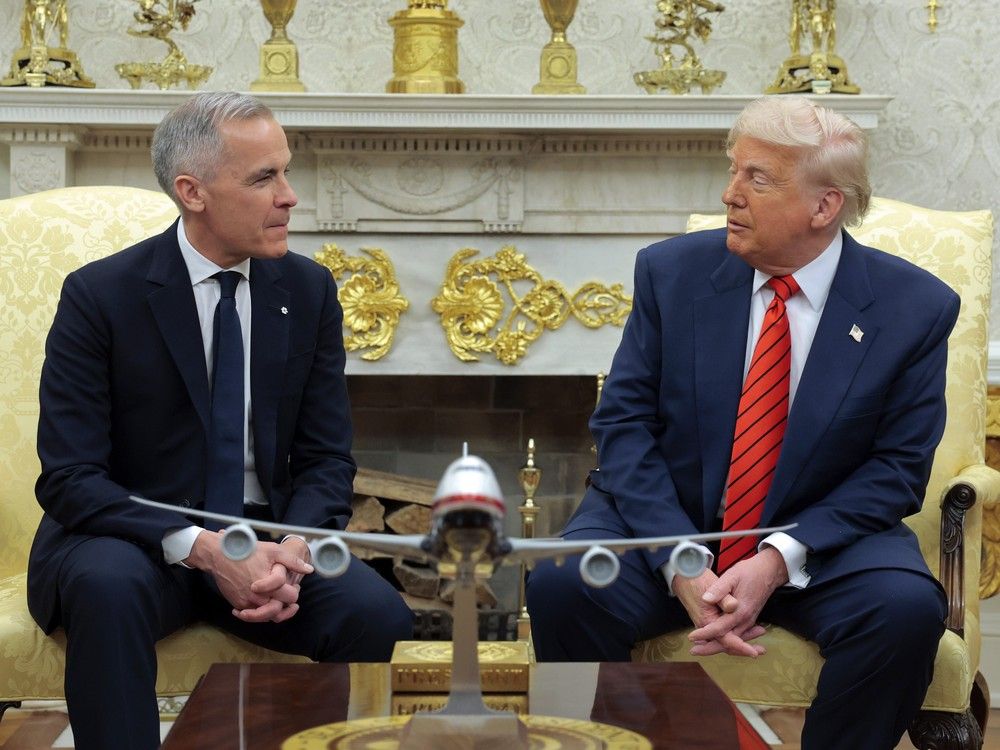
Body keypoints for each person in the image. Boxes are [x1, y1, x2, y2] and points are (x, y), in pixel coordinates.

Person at [526, 95, 957, 750]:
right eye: (733, 171)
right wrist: (681, 558)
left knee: (903, 612)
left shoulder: (914, 308)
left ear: (824, 206)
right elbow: (624, 426)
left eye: (758, 179)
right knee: (564, 584)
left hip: (819, 540)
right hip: (668, 519)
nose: (730, 195)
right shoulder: (672, 273)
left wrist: (776, 559)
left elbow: (896, 472)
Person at [27, 91, 413, 750]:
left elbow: (326, 460)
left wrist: (293, 550)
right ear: (193, 192)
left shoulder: (309, 290)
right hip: (138, 540)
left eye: (285, 171)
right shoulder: (101, 296)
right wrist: (206, 550)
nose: (289, 196)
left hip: (267, 539)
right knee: (105, 589)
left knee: (376, 613)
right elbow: (70, 478)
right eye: (264, 178)